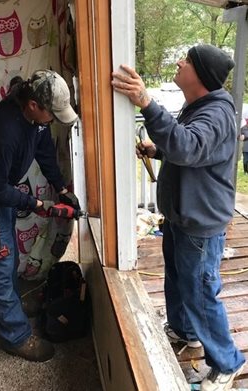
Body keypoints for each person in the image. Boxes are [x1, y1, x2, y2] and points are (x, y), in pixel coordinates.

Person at [112, 44, 246, 390]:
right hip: (181, 216)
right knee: (178, 278)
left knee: (201, 293)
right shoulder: (197, 106)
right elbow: (190, 151)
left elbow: (187, 147)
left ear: (199, 75)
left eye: (186, 60)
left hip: (199, 223)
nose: (179, 62)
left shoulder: (216, 114)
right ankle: (186, 331)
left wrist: (146, 103)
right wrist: (158, 151)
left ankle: (227, 362)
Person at [0, 70, 80, 362]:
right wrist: (42, 205)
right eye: (51, 114)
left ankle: (10, 305)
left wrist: (61, 188)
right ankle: (15, 337)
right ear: (33, 105)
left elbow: (43, 151)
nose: (53, 119)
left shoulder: (35, 119)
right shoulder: (6, 131)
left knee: (9, 255)